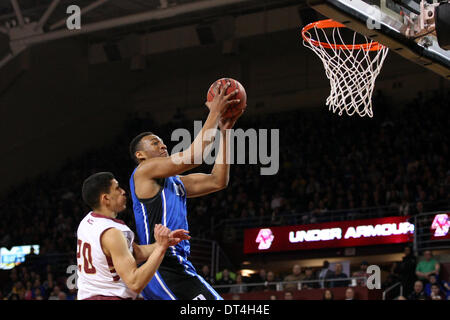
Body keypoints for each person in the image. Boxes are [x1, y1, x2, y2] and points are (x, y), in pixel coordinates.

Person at [128, 81, 243, 300]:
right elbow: (195, 156)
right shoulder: (142, 172)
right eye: (154, 143)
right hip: (161, 264)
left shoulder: (176, 181)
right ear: (140, 156)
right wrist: (215, 112)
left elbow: (218, 181)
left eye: (162, 143)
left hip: (178, 264)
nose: (163, 146)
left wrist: (225, 133)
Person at [77, 172, 190, 300]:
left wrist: (164, 242)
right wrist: (161, 248)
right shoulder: (112, 233)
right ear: (106, 198)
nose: (123, 191)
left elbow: (136, 254)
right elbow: (135, 283)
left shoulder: (87, 222)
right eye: (117, 188)